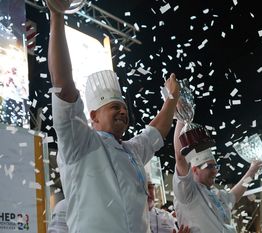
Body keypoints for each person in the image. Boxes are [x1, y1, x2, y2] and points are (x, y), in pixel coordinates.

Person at [48, 2, 180, 232]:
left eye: (124, 107)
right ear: (93, 116)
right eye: (114, 107)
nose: (122, 111)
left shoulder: (133, 151)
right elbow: (64, 88)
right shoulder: (79, 143)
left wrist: (172, 99)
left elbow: (155, 131)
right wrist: (57, 16)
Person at [172, 121, 262, 233]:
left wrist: (252, 172)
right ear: (195, 170)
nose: (215, 171)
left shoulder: (216, 194)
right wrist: (181, 119)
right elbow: (180, 158)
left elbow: (235, 194)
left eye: (216, 166)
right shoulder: (187, 192)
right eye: (209, 166)